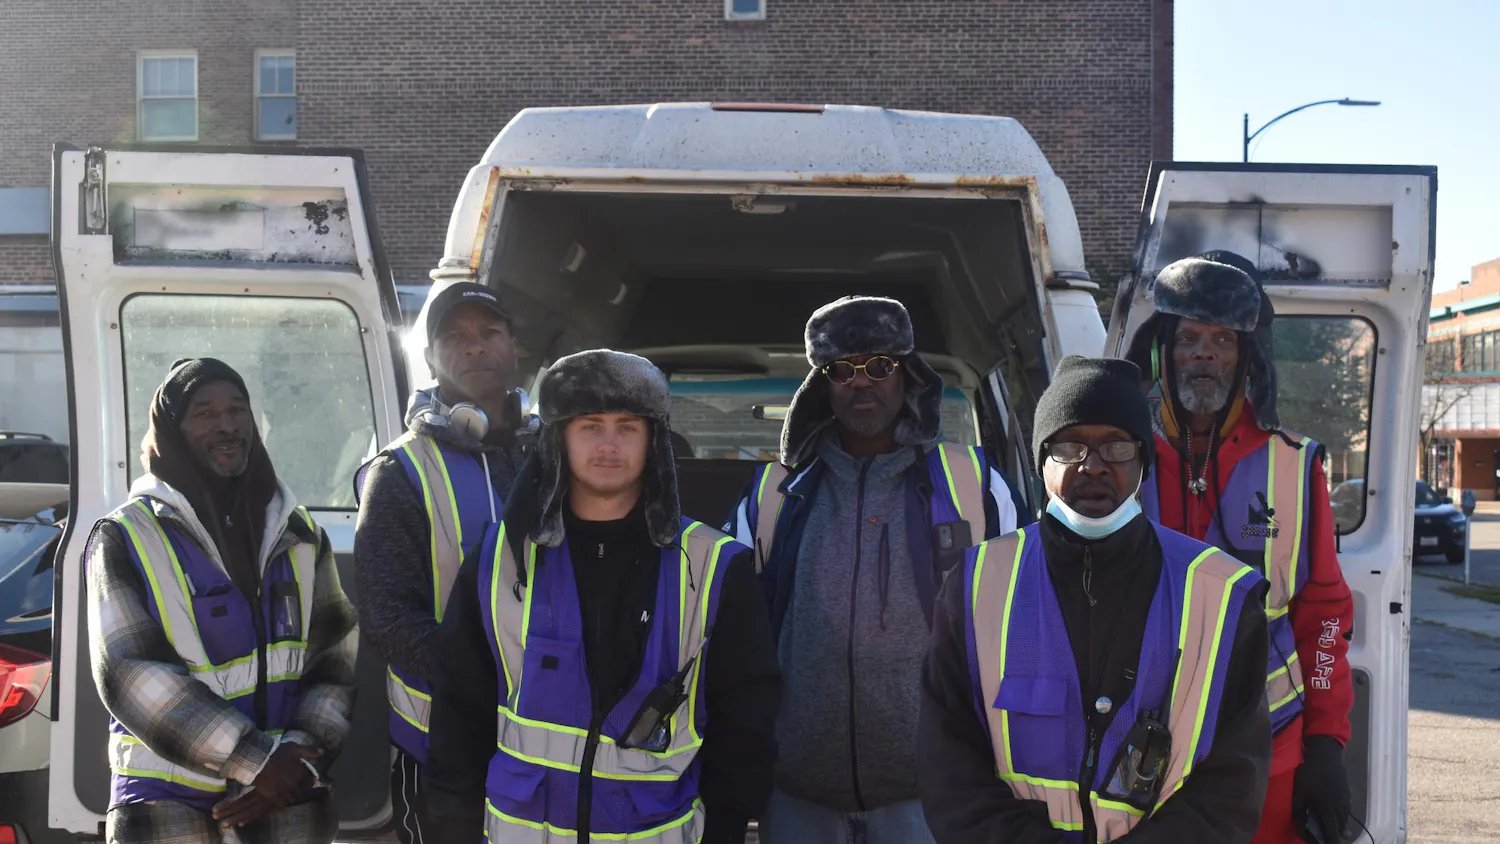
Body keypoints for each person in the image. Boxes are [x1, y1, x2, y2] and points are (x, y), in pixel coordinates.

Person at [424, 349, 782, 843]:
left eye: (628, 426)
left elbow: (745, 726)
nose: (609, 444)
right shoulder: (498, 559)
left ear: (654, 440)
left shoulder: (717, 567)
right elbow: (459, 714)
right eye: (590, 425)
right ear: (559, 439)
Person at [918, 355, 1273, 844]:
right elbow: (949, 759)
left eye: (1117, 447)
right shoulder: (975, 582)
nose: (1093, 467)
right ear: (1041, 462)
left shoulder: (1222, 594)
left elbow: (1234, 778)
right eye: (1069, 447)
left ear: (1144, 461)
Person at [723, 295, 1023, 842]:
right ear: (822, 385)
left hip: (932, 793)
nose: (861, 382)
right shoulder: (771, 494)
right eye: (842, 370)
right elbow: (727, 638)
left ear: (908, 376)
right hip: (795, 793)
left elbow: (1023, 630)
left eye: (880, 366)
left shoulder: (975, 486)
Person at [1124, 254, 1355, 844]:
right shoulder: (1116, 456)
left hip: (1268, 748)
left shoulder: (1296, 465)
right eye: (1189, 338)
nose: (1204, 353)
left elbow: (1323, 615)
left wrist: (1325, 744)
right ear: (1161, 352)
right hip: (1142, 750)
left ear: (1247, 355)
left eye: (1223, 339)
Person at [85, 358, 358, 844]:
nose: (228, 425)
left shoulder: (300, 534)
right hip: (166, 801)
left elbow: (332, 660)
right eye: (205, 413)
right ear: (171, 430)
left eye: (238, 410)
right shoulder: (125, 536)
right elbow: (128, 671)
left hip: (285, 797)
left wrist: (296, 758)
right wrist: (255, 760)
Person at [352, 281, 532, 842]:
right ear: (428, 358)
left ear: (514, 347)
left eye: (488, 332)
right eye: (453, 336)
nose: (474, 346)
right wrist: (487, 685)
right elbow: (388, 616)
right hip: (441, 746)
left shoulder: (557, 455)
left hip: (552, 738)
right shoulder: (399, 472)